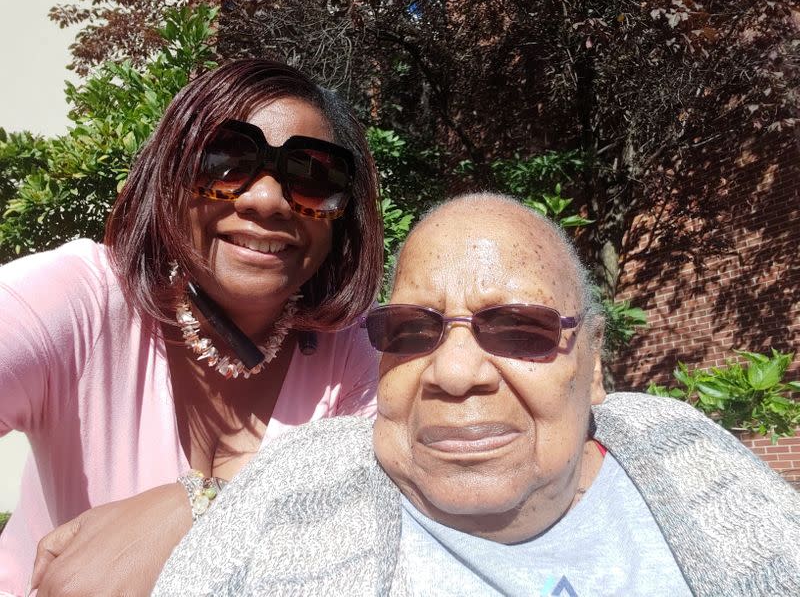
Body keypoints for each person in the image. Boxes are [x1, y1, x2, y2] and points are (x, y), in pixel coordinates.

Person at [154, 193, 800, 596]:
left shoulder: (691, 461)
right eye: (411, 330)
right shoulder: (292, 496)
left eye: (520, 329)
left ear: (594, 361)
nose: (455, 372)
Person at [0, 59, 383, 596]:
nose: (267, 200)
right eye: (225, 159)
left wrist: (202, 503)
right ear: (169, 175)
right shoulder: (79, 299)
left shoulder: (359, 348)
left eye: (313, 176)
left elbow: (396, 496)